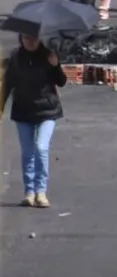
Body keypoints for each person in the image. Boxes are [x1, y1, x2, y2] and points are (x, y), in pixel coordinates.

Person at [1, 34, 68, 209]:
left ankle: (41, 191)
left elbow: (61, 82)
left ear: (39, 39)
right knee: (28, 152)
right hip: (23, 111)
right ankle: (29, 192)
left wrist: (56, 66)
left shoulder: (48, 55)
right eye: (26, 38)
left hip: (47, 110)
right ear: (20, 39)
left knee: (41, 148)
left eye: (34, 38)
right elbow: (8, 83)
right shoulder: (16, 57)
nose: (30, 41)